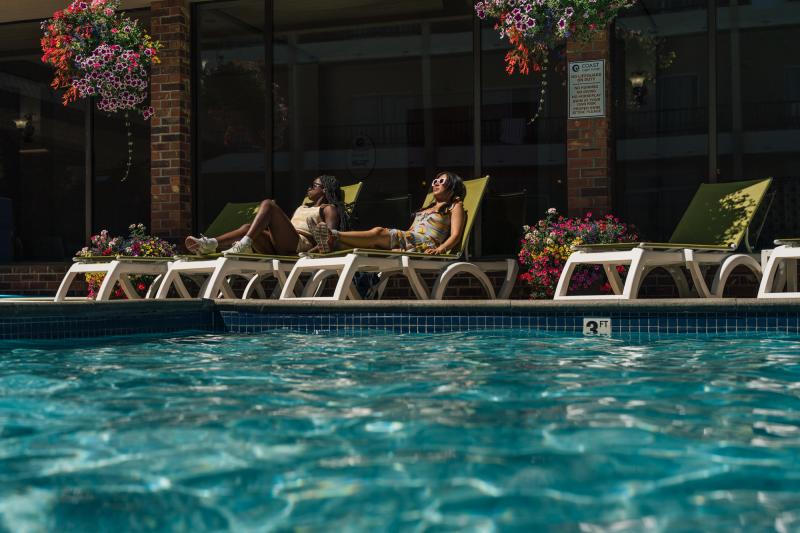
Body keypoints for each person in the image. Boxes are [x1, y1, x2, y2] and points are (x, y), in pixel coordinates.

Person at [185, 175, 349, 256]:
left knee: (269, 204)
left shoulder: (329, 209)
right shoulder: (303, 206)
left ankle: (244, 244)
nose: (309, 188)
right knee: (247, 228)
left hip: (299, 245)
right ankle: (210, 244)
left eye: (313, 185)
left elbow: (330, 238)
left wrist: (310, 253)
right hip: (281, 243)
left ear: (324, 189)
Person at [313, 171, 466, 255]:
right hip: (410, 241)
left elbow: (456, 235)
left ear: (452, 186)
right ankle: (332, 245)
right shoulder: (427, 207)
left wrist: (441, 249)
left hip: (425, 245)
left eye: (441, 181)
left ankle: (333, 235)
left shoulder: (455, 206)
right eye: (435, 181)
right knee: (374, 246)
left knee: (379, 232)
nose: (436, 184)